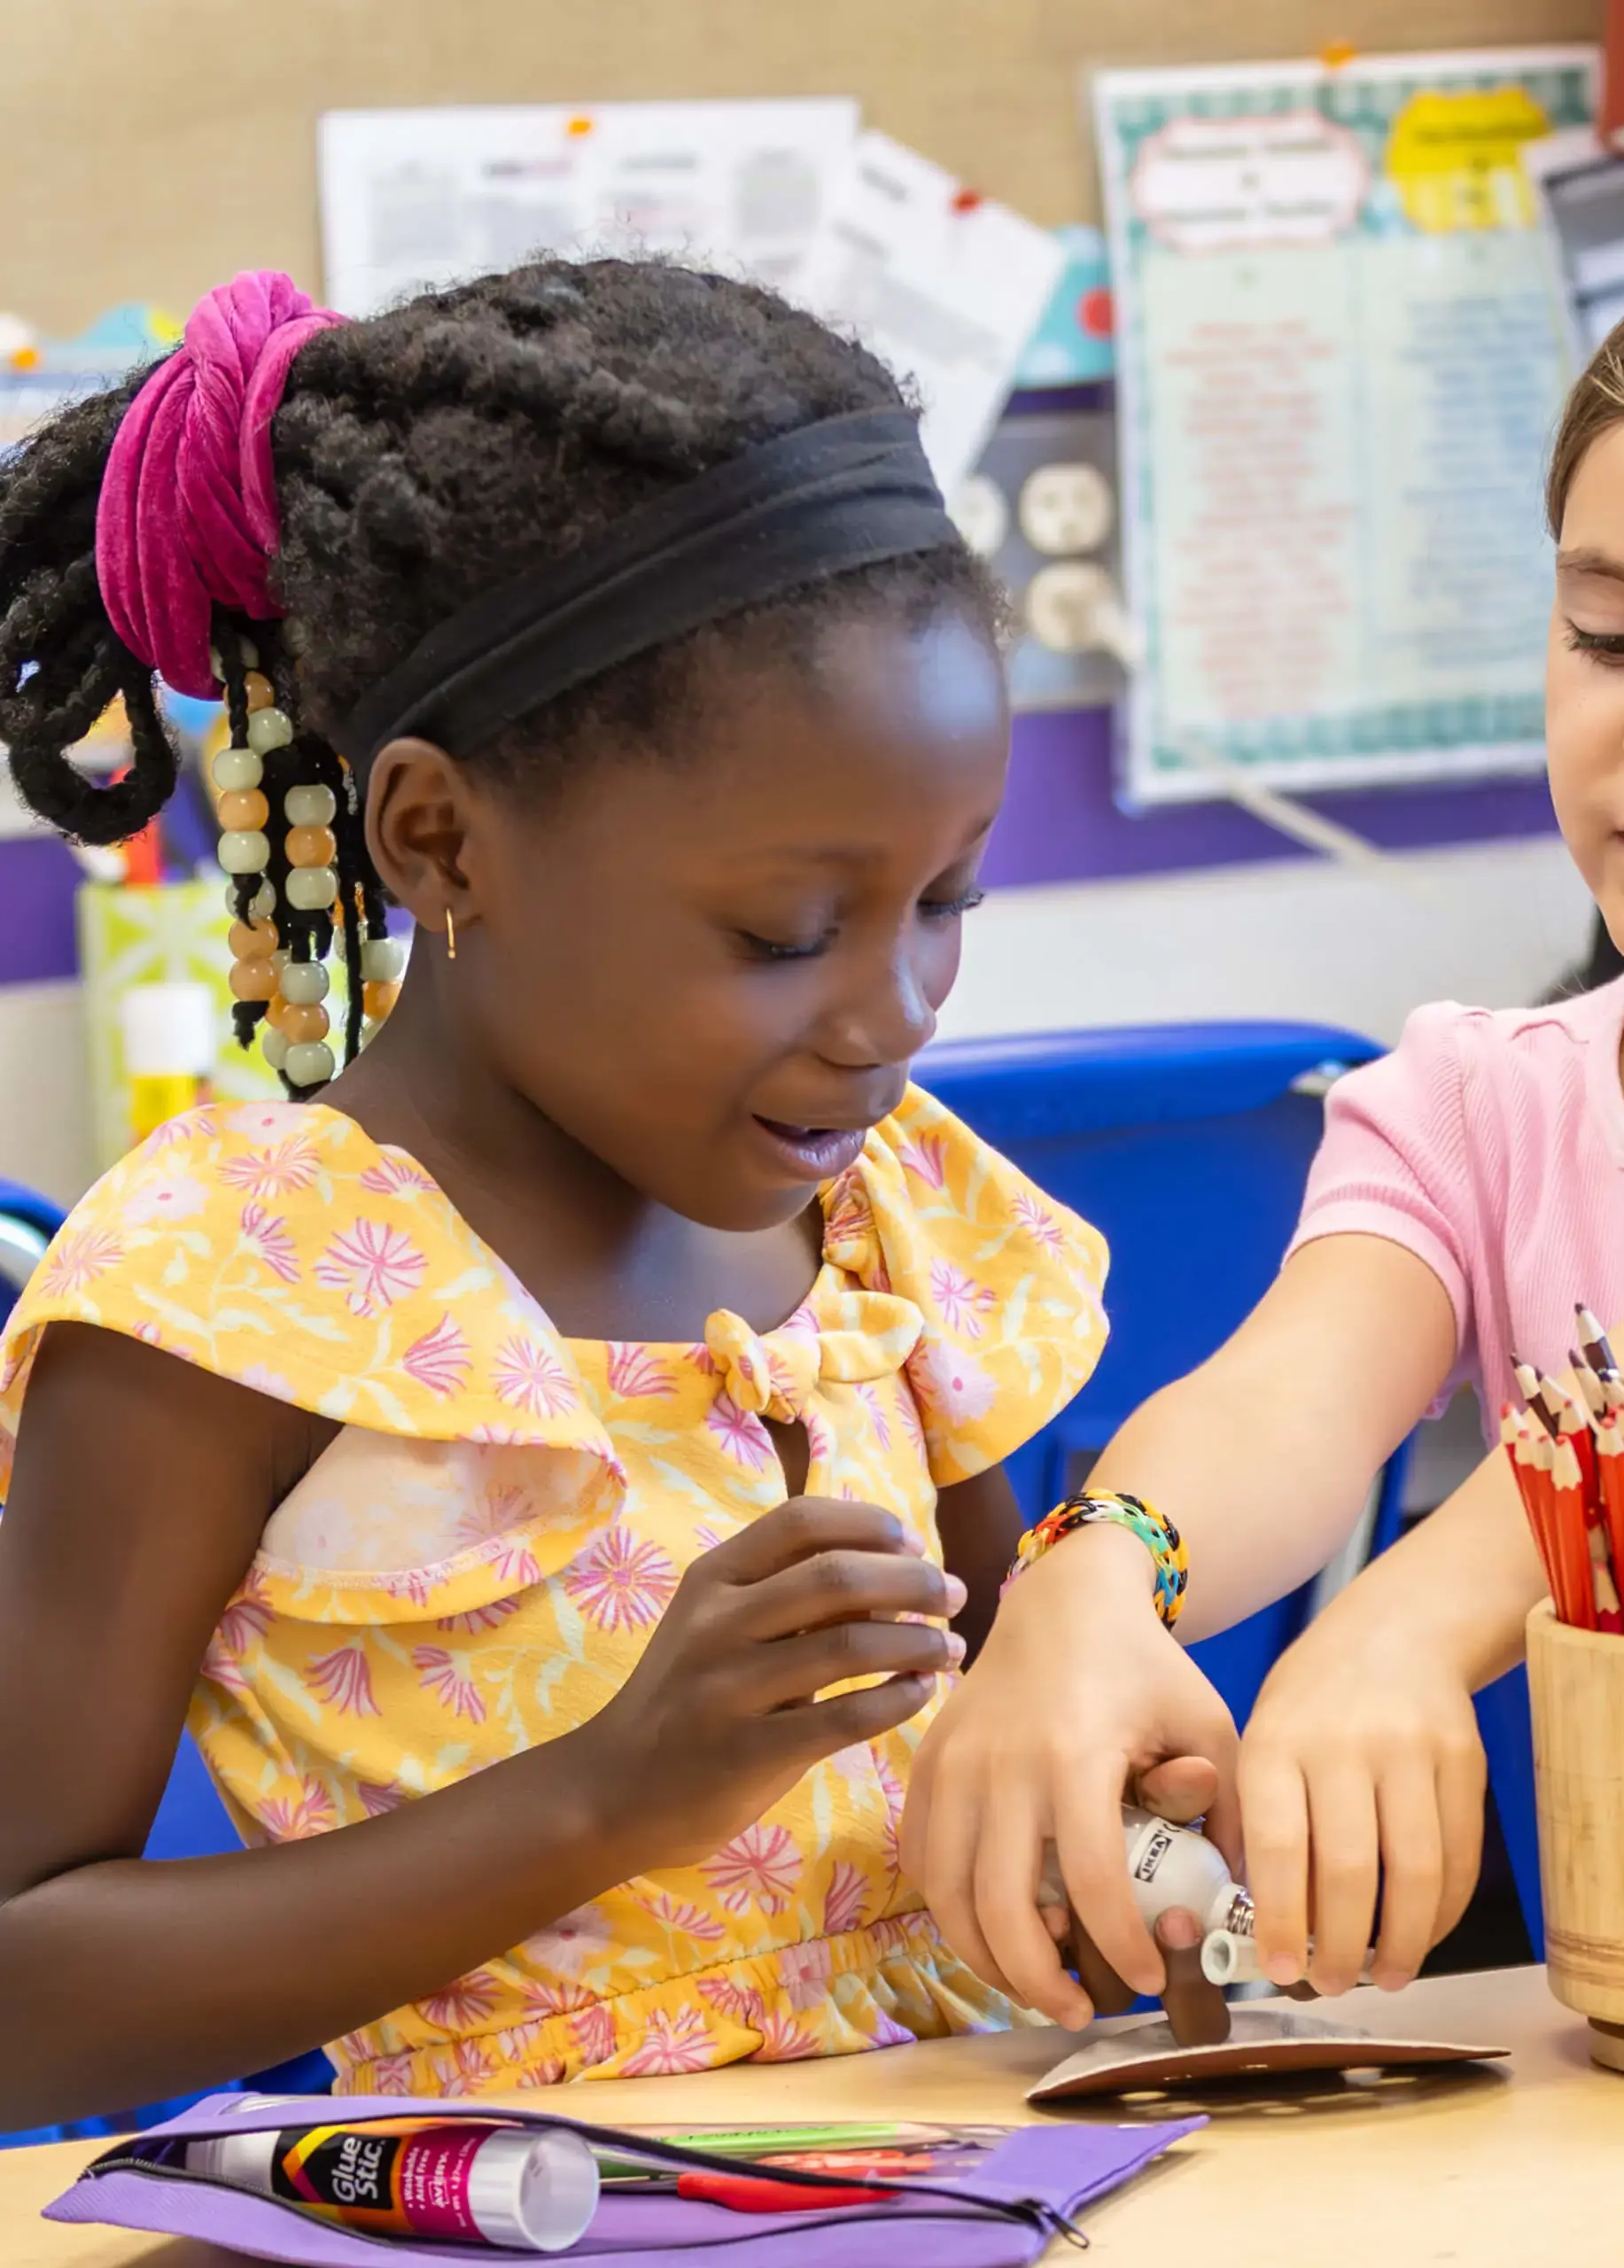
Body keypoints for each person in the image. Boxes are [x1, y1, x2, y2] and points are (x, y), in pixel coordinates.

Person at [905, 220, 1624, 2025]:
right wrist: (1091, 1575)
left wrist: (1397, 1620)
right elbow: (1285, 1399)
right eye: (1608, 631)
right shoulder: (1471, 1090)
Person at [0, 260, 1114, 2126]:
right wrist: (607, 1791)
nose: (892, 1015)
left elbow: (1027, 1739)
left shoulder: (887, 1219)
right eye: (781, 931)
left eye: (946, 904)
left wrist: (1115, 1810)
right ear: (440, 834)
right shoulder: (234, 1290)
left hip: (989, 2183)